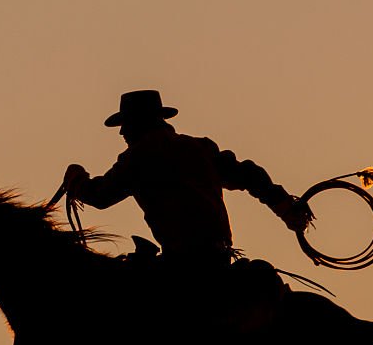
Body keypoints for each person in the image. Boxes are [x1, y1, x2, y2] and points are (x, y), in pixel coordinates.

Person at [62, 90, 312, 269]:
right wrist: (284, 207)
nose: (122, 132)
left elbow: (101, 196)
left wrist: (77, 179)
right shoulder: (199, 148)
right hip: (220, 258)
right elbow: (250, 174)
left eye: (125, 124)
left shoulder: (137, 157)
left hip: (182, 265)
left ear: (138, 123)